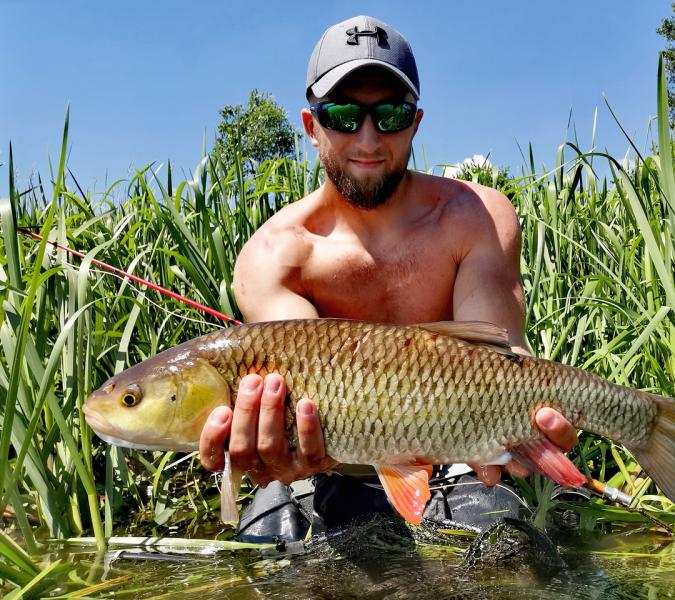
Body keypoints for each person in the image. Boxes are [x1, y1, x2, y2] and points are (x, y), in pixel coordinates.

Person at [198, 15, 576, 538]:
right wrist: (280, 447)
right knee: (267, 545)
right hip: (334, 465)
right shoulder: (272, 256)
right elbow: (302, 404)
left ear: (415, 122)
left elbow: (499, 355)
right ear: (311, 126)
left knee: (505, 545)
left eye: (390, 114)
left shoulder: (477, 216)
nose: (369, 138)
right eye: (343, 114)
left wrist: (530, 422)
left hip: (462, 452)